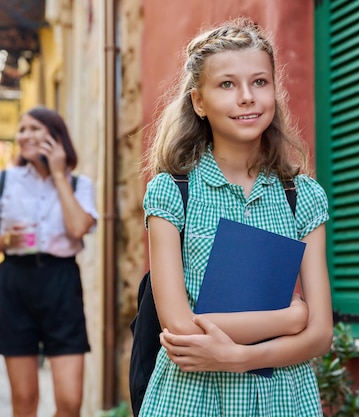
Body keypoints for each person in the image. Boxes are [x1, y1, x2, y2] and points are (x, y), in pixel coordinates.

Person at [139, 18, 333, 416]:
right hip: (191, 398)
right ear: (199, 102)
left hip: (282, 399)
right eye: (227, 84)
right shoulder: (173, 192)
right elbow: (179, 328)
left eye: (260, 82)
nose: (247, 97)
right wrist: (290, 317)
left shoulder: (304, 196)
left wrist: (237, 358)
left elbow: (320, 334)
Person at [0, 106, 98, 417]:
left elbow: (78, 228)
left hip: (61, 283)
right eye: (22, 130)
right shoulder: (1, 181)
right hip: (15, 282)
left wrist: (58, 174)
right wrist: (6, 240)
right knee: (25, 398)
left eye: (34, 128)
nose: (24, 136)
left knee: (70, 402)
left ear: (55, 136)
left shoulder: (78, 185)